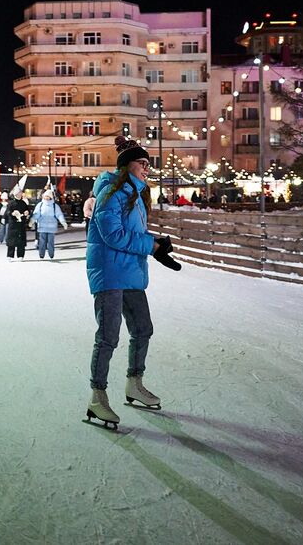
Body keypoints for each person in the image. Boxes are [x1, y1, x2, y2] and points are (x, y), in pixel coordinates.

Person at [84, 136, 181, 429]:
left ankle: (134, 384)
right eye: (142, 163)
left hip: (129, 273)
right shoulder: (111, 195)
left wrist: (155, 243)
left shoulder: (134, 196)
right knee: (109, 336)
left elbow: (131, 233)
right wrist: (149, 246)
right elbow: (112, 235)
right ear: (127, 166)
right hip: (111, 274)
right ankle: (97, 396)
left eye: (149, 164)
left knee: (142, 329)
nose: (147, 168)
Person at [30, 189, 68, 259]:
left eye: (48, 196)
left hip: (51, 227)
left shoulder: (54, 206)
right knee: (42, 242)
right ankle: (41, 255)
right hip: (42, 226)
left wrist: (63, 222)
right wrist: (32, 220)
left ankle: (51, 255)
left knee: (50, 242)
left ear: (51, 197)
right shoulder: (40, 205)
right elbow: (36, 214)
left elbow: (59, 214)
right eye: (45, 196)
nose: (46, 198)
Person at [4, 187, 30, 260]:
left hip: (21, 224)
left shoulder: (23, 203)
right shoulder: (11, 203)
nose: (19, 194)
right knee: (11, 240)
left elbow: (27, 210)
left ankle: (20, 255)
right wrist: (12, 213)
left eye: (20, 193)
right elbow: (7, 212)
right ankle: (10, 255)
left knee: (21, 240)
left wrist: (27, 212)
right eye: (18, 193)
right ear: (15, 194)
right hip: (13, 224)